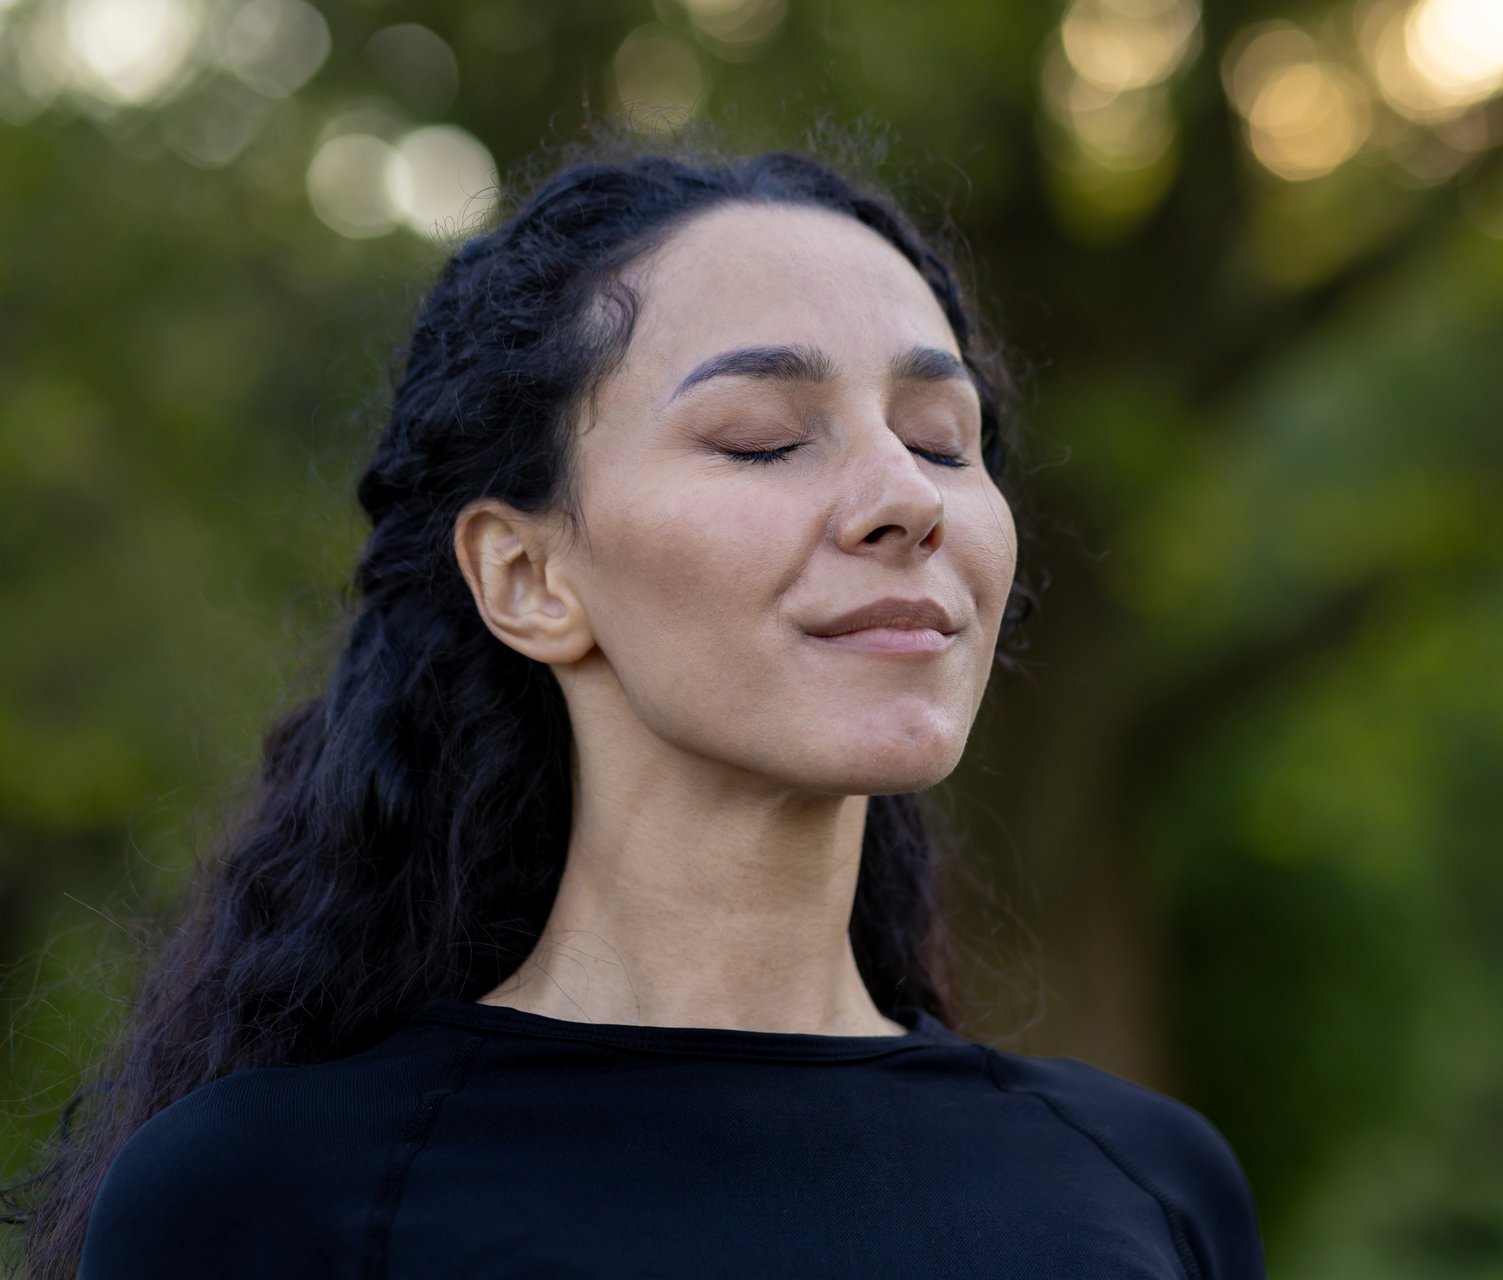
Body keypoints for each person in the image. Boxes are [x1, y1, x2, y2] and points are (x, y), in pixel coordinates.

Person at [9, 126, 1266, 1279]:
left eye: (945, 438)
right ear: (530, 576)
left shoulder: (1150, 1188)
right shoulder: (267, 1198)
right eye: (768, 436)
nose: (910, 495)